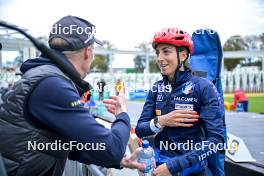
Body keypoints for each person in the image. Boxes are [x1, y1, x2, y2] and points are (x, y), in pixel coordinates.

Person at [0, 15, 144, 176]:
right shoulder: (53, 85)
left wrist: (118, 161)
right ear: (88, 52)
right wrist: (122, 114)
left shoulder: (44, 77)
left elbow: (59, 144)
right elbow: (113, 148)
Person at [135, 28, 225, 176]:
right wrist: (161, 121)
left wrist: (173, 166)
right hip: (156, 165)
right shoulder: (157, 88)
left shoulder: (204, 87)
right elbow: (140, 129)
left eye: (166, 52)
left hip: (190, 169)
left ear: (183, 55)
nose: (159, 58)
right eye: (157, 53)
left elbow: (216, 140)